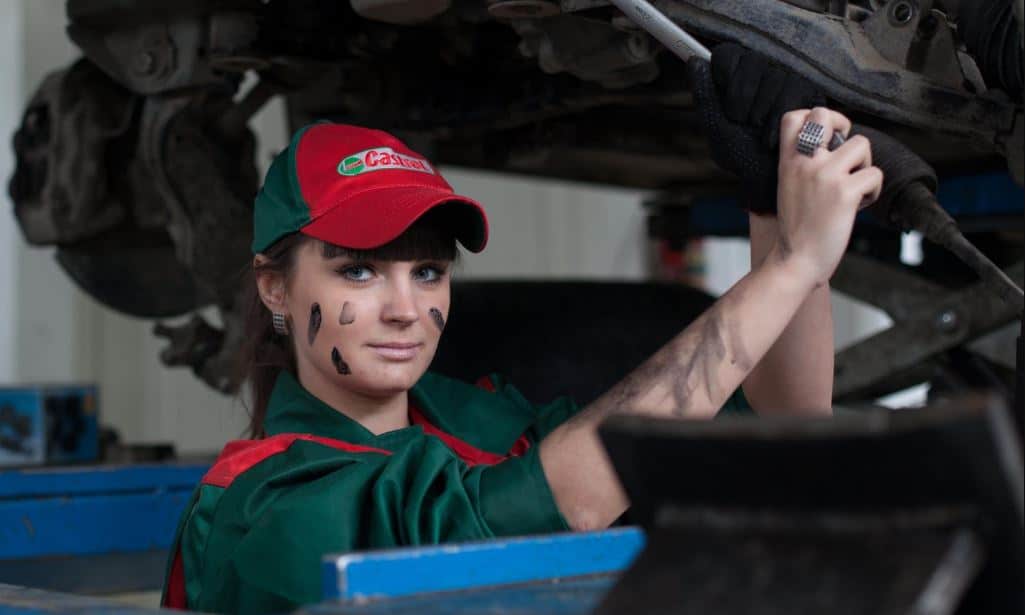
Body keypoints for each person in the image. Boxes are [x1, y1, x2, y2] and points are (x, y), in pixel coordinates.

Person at [159, 82, 882, 615]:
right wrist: (789, 267)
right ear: (275, 289)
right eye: (358, 270)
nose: (407, 308)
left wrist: (773, 211)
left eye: (428, 271)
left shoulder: (470, 421)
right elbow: (539, 506)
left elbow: (782, 427)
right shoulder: (261, 505)